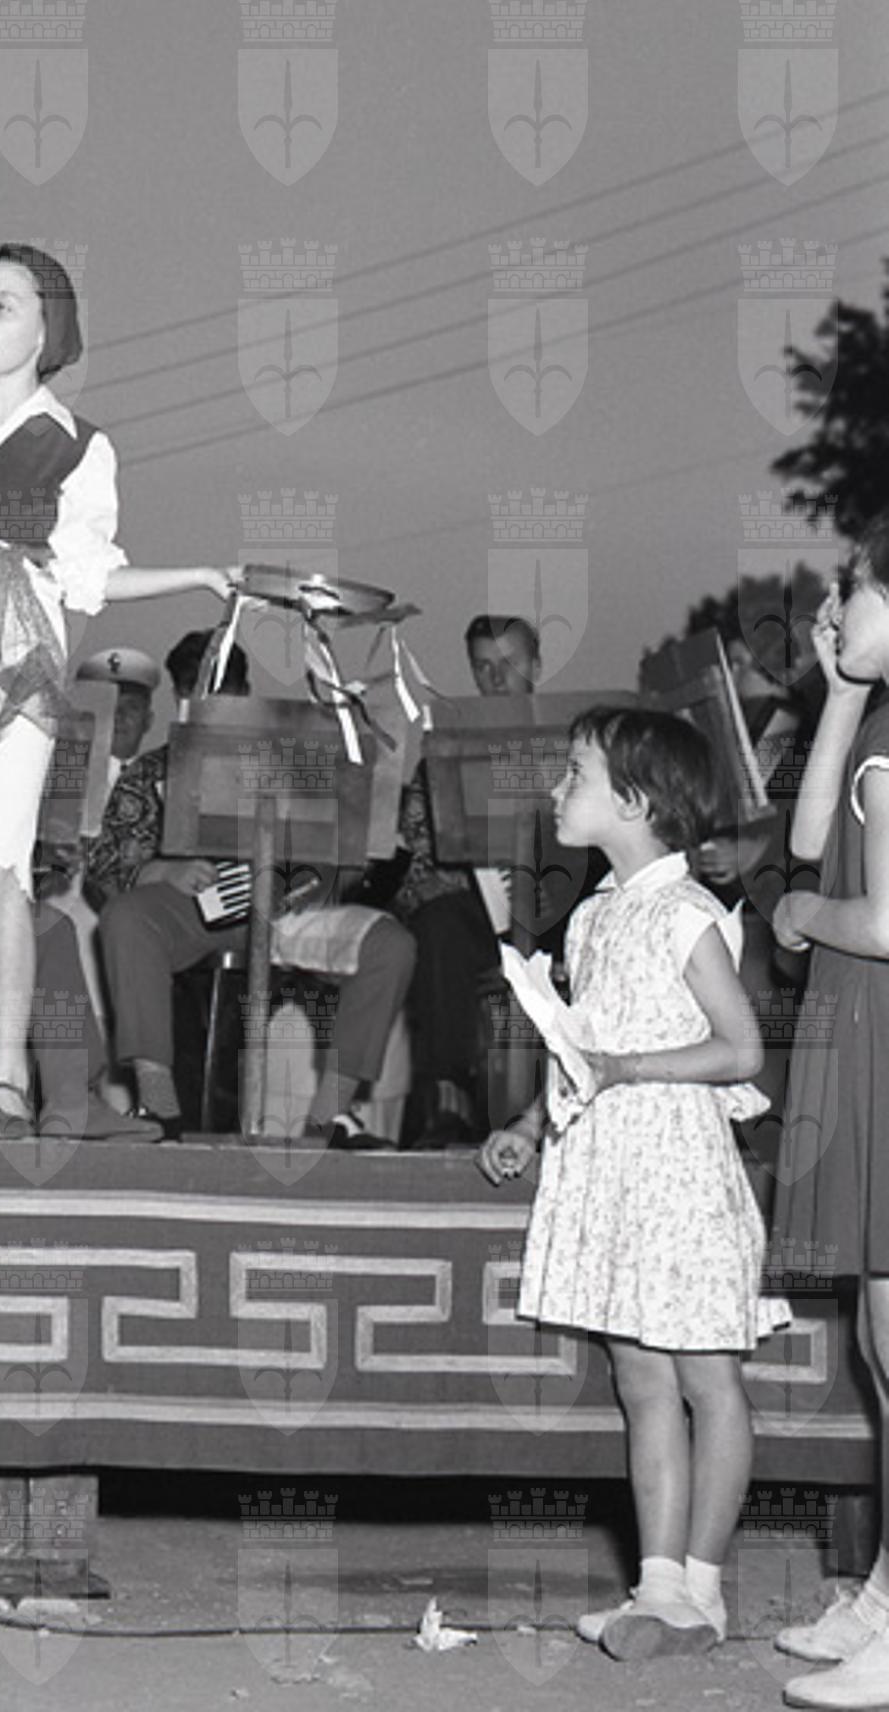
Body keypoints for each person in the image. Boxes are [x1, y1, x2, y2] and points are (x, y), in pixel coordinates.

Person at [0, 244, 236, 1140]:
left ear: (49, 331)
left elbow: (89, 578)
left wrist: (198, 573)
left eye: (3, 305)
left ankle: (9, 1082)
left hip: (17, 676)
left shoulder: (78, 446)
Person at [479, 707, 784, 1661]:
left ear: (637, 800)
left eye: (574, 773)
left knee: (705, 1377)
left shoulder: (682, 911)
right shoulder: (594, 913)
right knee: (639, 1376)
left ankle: (701, 1589)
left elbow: (740, 1050)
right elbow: (583, 1044)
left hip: (678, 1172)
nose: (556, 789)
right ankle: (656, 1588)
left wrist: (627, 1069)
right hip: (612, 1168)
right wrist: (530, 1124)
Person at [88, 632, 417, 1139]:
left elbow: (359, 857)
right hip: (199, 910)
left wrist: (333, 867)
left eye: (223, 692)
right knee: (125, 919)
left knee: (390, 945)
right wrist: (158, 870)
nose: (208, 705)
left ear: (244, 693)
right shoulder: (151, 771)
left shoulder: (300, 758)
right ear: (179, 696)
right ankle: (158, 1105)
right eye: (194, 692)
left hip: (292, 911)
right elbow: (105, 863)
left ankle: (331, 1117)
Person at [768, 529, 889, 1709]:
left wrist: (805, 911)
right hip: (866, 1037)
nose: (832, 606)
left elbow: (886, 917)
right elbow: (809, 837)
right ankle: (883, 1599)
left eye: (850, 591)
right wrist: (841, 690)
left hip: (883, 1037)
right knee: (879, 1346)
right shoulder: (877, 727)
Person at [387, 613, 584, 1147]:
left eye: (509, 663)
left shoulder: (575, 744)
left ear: (536, 666)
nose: (496, 678)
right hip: (483, 915)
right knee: (438, 926)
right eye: (483, 666)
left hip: (567, 908)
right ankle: (446, 1096)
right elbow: (418, 847)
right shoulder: (448, 748)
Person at [74, 646, 160, 790]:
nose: (119, 715)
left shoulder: (159, 784)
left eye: (132, 706)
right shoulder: (64, 777)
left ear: (148, 720)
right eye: (107, 705)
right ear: (86, 717)